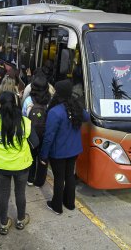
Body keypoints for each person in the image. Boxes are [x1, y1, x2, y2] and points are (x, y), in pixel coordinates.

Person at [0, 91, 37, 235]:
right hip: (22, 165)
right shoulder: (25, 122)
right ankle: (21, 220)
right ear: (15, 104)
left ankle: (4, 224)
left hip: (1, 165)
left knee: (3, 193)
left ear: (0, 104)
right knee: (20, 193)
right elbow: (35, 142)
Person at [40, 80, 89, 215]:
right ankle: (70, 203)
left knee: (59, 178)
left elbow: (49, 136)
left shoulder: (55, 112)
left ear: (58, 93)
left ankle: (56, 206)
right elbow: (87, 117)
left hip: (58, 152)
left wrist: (43, 155)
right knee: (70, 176)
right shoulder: (76, 107)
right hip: (74, 150)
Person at [22, 75, 51, 187]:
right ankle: (40, 181)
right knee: (43, 156)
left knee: (32, 156)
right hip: (45, 132)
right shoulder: (49, 100)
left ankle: (30, 178)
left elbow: (24, 116)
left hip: (31, 133)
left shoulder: (28, 100)